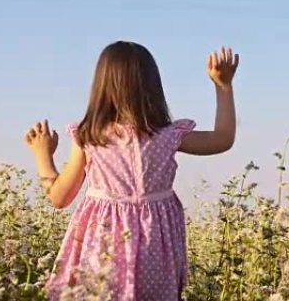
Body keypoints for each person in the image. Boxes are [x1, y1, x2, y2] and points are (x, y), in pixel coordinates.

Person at [24, 41, 239, 300]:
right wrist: (223, 87)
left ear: (102, 85)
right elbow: (223, 139)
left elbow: (59, 197)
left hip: (102, 251)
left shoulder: (90, 136)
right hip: (155, 251)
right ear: (152, 86)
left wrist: (42, 155)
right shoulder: (167, 135)